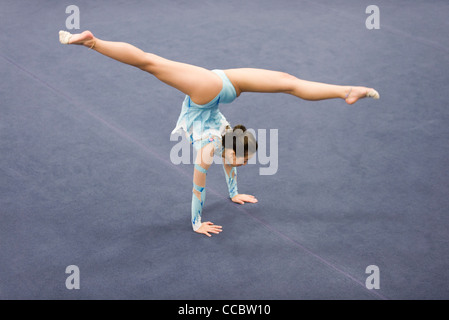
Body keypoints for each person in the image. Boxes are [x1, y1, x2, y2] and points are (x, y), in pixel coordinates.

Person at [59, 30, 379, 237]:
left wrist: (232, 192)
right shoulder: (212, 146)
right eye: (242, 160)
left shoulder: (224, 138)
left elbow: (215, 173)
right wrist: (197, 223)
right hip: (212, 88)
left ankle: (346, 91)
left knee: (287, 80)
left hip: (223, 86)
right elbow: (198, 188)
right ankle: (92, 41)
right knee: (149, 62)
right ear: (231, 150)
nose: (240, 165)